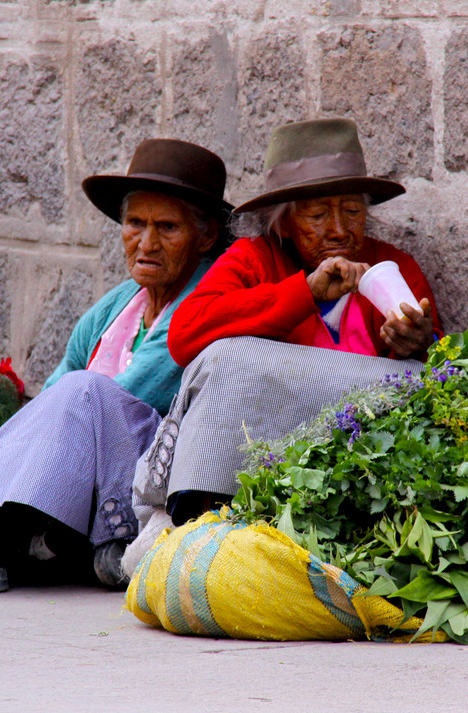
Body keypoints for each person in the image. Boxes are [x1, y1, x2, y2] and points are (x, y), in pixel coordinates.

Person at [0, 138, 231, 597]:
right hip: (93, 470)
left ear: (205, 237)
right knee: (67, 399)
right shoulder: (117, 307)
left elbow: (102, 400)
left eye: (167, 227)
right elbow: (50, 403)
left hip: (150, 480)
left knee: (86, 395)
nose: (147, 242)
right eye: (135, 223)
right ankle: (12, 538)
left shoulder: (205, 302)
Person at [124, 118, 442, 571]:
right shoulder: (254, 259)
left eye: (351, 211)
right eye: (317, 215)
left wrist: (416, 344)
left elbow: (441, 372)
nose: (338, 229)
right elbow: (185, 336)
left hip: (358, 464)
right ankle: (201, 524)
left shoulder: (390, 266)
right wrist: (304, 293)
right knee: (225, 356)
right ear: (285, 221)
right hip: (259, 463)